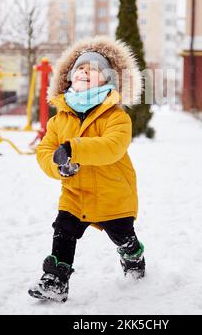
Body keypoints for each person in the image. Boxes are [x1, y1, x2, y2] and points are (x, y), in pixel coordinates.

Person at [28, 36, 145, 303]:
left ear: (107, 81)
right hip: (75, 193)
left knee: (122, 236)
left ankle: (133, 255)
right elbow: (45, 151)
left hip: (112, 195)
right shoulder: (61, 119)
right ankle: (55, 280)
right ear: (69, 78)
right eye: (80, 68)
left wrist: (73, 149)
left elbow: (112, 147)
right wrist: (60, 168)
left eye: (93, 70)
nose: (84, 71)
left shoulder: (116, 116)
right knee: (64, 230)